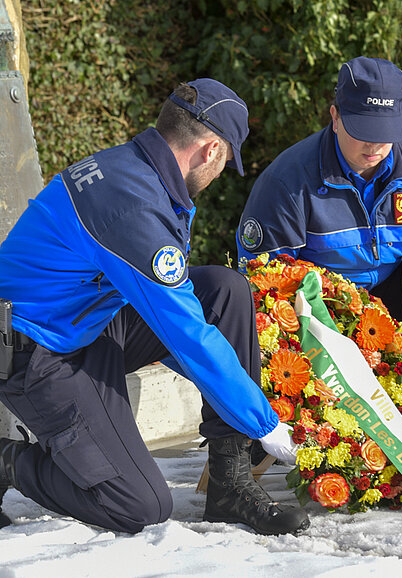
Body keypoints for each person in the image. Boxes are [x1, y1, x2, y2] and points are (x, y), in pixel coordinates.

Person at [0, 78, 310, 536]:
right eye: (226, 161)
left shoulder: (138, 169)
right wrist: (263, 421)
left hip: (87, 321)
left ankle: (229, 484)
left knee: (224, 291)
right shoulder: (133, 207)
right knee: (138, 505)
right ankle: (9, 463)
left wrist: (235, 394)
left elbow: (177, 314)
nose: (221, 173)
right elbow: (184, 331)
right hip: (38, 354)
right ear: (210, 151)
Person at [237, 56, 402, 477]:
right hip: (321, 312)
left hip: (389, 297)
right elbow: (264, 289)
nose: (374, 147)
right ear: (335, 117)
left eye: (385, 135)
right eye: (362, 132)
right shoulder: (288, 181)